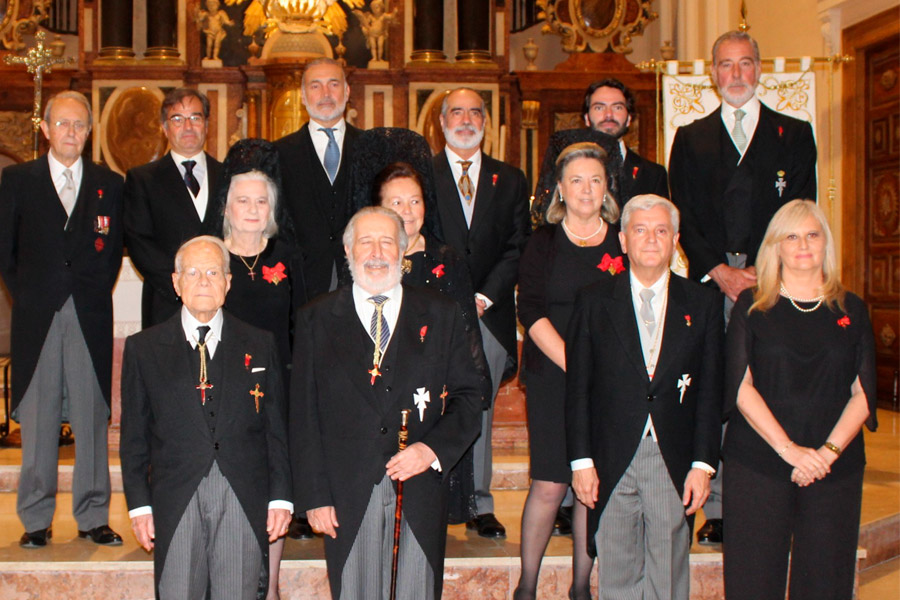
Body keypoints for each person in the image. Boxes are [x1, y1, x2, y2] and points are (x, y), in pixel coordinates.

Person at [668, 30, 818, 544]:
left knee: (765, 389)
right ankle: (719, 509)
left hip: (772, 283)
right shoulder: (690, 137)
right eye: (726, 65)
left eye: (746, 64)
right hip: (710, 286)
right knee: (714, 390)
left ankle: (765, 503)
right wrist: (719, 270)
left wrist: (762, 268)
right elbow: (680, 214)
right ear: (713, 73)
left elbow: (800, 210)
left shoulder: (794, 135)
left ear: (759, 70)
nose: (736, 74)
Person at [290, 207, 482, 599]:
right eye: (365, 241)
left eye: (386, 242)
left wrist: (431, 450)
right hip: (345, 492)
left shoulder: (441, 314)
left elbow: (468, 397)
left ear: (403, 249)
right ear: (348, 250)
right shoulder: (316, 318)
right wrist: (314, 496)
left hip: (419, 487)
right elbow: (303, 415)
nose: (376, 252)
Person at [567, 195, 722, 600]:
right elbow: (578, 389)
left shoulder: (702, 303)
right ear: (622, 240)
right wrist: (582, 462)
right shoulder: (593, 300)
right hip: (612, 456)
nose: (651, 239)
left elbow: (709, 391)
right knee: (616, 570)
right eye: (640, 229)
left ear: (675, 241)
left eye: (661, 231)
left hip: (672, 458)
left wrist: (703, 465)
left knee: (667, 575)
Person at [120, 236, 293, 599]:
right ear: (176, 281)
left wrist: (280, 497)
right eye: (193, 272)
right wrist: (139, 505)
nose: (203, 280)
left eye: (213, 272)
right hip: (176, 494)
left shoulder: (260, 343)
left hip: (243, 492)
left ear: (228, 283)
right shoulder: (143, 349)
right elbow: (134, 437)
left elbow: (275, 428)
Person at [722, 199, 876, 600]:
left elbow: (863, 393)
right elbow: (740, 386)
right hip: (758, 461)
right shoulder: (752, 307)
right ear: (775, 246)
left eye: (812, 234)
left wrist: (824, 454)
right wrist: (789, 450)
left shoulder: (851, 309)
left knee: (826, 581)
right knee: (753, 580)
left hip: (833, 468)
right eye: (791, 235)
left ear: (826, 243)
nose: (803, 244)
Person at [0, 90, 124, 549]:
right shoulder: (17, 179)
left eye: (80, 125)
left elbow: (110, 254)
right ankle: (36, 519)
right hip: (38, 315)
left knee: (92, 417)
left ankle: (93, 516)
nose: (72, 132)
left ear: (89, 132)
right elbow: (6, 252)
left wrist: (83, 292)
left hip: (89, 313)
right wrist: (32, 296)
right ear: (46, 129)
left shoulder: (109, 184)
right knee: (39, 416)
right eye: (63, 124)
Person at [514, 142, 626, 600]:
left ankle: (581, 588)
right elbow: (531, 308)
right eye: (576, 180)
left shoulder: (624, 238)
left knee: (590, 486)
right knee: (550, 480)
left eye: (595, 180)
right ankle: (526, 587)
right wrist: (576, 364)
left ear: (607, 188)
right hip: (552, 374)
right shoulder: (542, 241)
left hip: (612, 379)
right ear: (559, 188)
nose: (586, 189)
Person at [368, 158, 492, 523]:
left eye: (415, 201)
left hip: (432, 401)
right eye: (396, 203)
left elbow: (467, 331)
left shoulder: (447, 259)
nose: (407, 211)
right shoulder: (366, 260)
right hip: (380, 400)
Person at [433, 87, 531, 539]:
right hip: (434, 312)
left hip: (488, 315)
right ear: (441, 122)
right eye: (457, 111)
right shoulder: (422, 176)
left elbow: (517, 247)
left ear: (487, 123)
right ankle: (432, 498)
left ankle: (479, 504)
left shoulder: (510, 179)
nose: (466, 119)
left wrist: (484, 297)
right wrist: (451, 296)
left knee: (482, 411)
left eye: (475, 112)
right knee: (429, 406)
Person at [215, 139, 307, 600]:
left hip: (278, 388)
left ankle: (269, 587)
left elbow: (302, 322)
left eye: (261, 200)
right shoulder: (211, 256)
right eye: (242, 200)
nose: (252, 208)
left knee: (274, 486)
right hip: (223, 389)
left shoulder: (286, 255)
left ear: (272, 207)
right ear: (227, 207)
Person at [124, 87, 224, 328]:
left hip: (222, 299)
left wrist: (214, 283)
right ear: (164, 127)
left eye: (195, 118)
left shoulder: (228, 175)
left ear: (206, 125)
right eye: (177, 119)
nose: (187, 127)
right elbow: (139, 243)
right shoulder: (143, 179)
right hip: (166, 301)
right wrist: (183, 283)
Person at [275, 57, 363, 300]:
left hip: (362, 281)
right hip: (300, 286)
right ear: (303, 96)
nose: (326, 93)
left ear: (346, 92)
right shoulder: (278, 154)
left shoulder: (372, 148)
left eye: (333, 84)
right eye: (315, 86)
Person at [583, 78, 668, 203]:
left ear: (629, 118)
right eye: (599, 108)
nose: (608, 115)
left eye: (617, 107)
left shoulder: (653, 175)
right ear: (587, 119)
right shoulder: (566, 169)